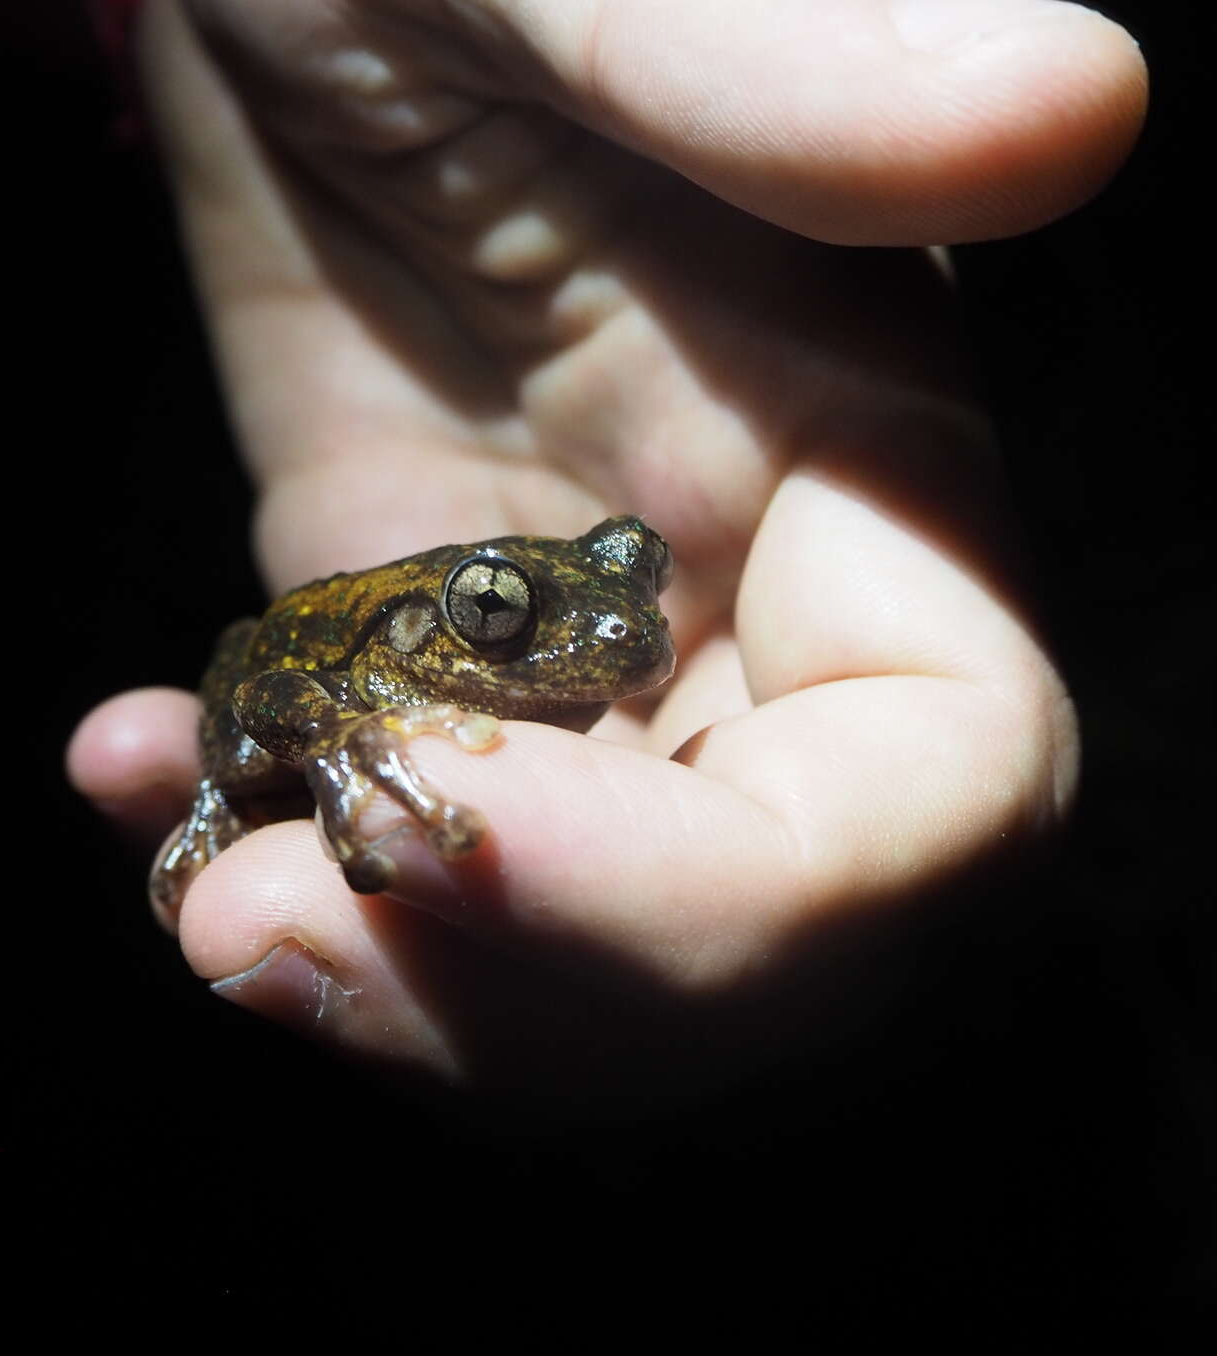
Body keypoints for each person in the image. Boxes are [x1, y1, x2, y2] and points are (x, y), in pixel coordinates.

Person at [67, 0, 1147, 1092]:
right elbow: (267, 696)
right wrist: (342, 738)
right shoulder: (374, 659)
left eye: (641, 574)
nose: (624, 623)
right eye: (497, 612)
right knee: (242, 760)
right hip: (288, 654)